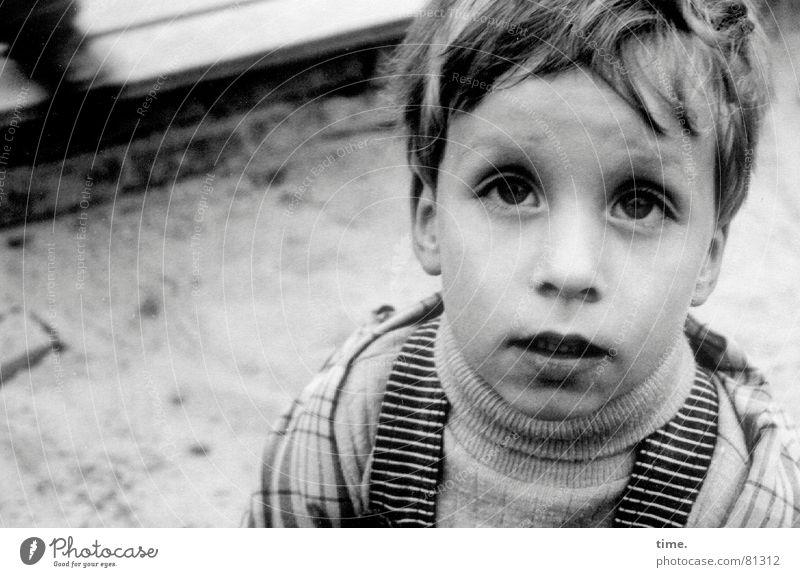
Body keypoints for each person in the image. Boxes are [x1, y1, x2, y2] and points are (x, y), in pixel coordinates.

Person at [247, 0, 800, 527]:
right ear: (429, 218)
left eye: (640, 203)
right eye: (511, 190)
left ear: (707, 255)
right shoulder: (348, 420)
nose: (570, 270)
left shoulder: (740, 503)